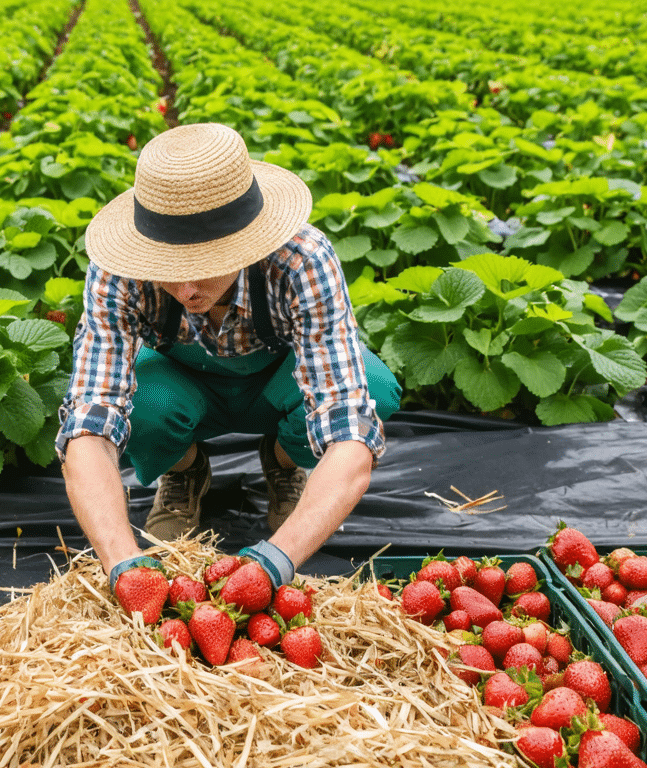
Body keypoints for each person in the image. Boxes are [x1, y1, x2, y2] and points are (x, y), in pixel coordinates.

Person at [55, 123, 401, 599]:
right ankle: (184, 470)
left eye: (202, 264)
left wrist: (275, 562)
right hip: (183, 384)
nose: (187, 289)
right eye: (167, 269)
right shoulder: (118, 273)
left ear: (248, 241)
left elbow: (349, 425)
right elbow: (90, 422)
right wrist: (122, 565)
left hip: (277, 379)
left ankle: (283, 462)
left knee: (375, 389)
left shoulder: (301, 260)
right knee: (142, 409)